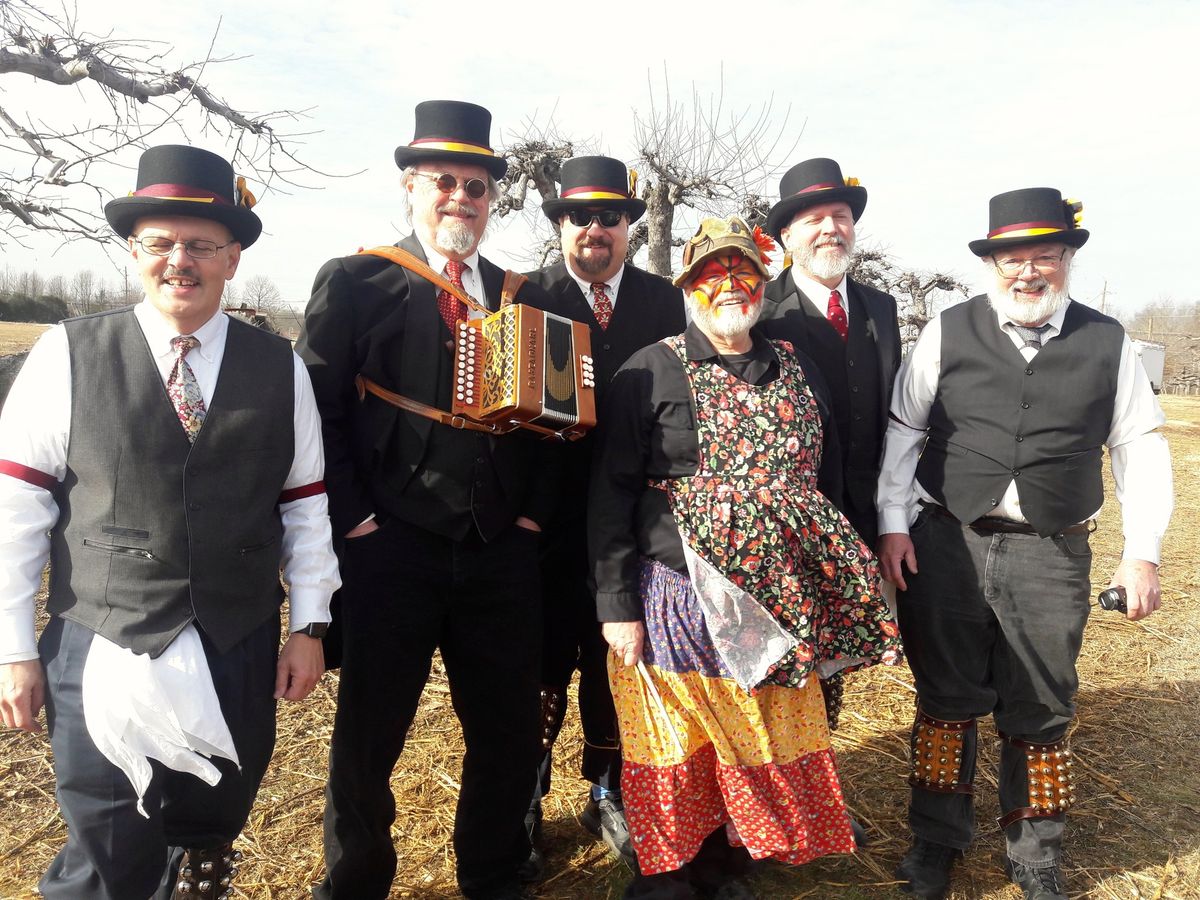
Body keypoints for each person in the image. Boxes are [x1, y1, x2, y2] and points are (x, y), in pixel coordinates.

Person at [0, 144, 340, 900]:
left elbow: (305, 505)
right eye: (161, 243)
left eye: (201, 245)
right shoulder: (66, 354)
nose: (179, 259)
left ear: (232, 257)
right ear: (135, 250)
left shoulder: (279, 367)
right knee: (110, 850)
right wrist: (12, 649)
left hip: (236, 644)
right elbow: (16, 511)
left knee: (208, 835)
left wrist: (309, 626)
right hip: (101, 641)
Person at [591, 216, 902, 899]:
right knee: (680, 740)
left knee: (756, 727)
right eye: (711, 274)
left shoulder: (796, 366)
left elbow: (827, 477)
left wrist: (834, 580)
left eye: (743, 273)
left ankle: (731, 858)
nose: (729, 286)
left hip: (777, 599)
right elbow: (610, 493)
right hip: (678, 592)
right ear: (689, 288)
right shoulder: (651, 369)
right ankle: (670, 872)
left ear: (763, 284)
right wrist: (616, 606)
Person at [876, 187, 1172, 900]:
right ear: (991, 263)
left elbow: (1139, 444)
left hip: (1053, 549)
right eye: (1014, 258)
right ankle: (936, 840)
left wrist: (1144, 551)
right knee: (945, 699)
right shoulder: (947, 331)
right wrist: (892, 524)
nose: (1029, 272)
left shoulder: (1109, 343)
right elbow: (905, 429)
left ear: (1068, 260)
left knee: (1041, 706)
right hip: (948, 540)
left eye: (1046, 256)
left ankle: (1035, 853)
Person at [298, 100, 557, 900]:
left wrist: (529, 519)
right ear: (411, 186)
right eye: (443, 180)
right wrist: (357, 523)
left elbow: (556, 422)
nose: (460, 199)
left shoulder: (525, 293)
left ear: (491, 201)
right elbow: (319, 413)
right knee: (370, 736)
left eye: (476, 186)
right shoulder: (357, 280)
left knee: (508, 732)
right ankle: (357, 881)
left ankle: (491, 871)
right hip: (393, 548)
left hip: (497, 549)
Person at [524, 155, 686, 870]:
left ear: (628, 226)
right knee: (541, 662)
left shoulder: (666, 302)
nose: (596, 229)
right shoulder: (527, 296)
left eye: (611, 217)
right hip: (548, 522)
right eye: (580, 216)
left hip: (632, 524)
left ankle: (606, 788)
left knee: (616, 662)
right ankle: (523, 795)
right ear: (560, 224)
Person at [759, 157, 900, 549]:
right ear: (787, 237)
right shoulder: (762, 310)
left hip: (873, 519)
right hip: (793, 523)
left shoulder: (882, 307)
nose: (830, 230)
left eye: (840, 216)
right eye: (814, 220)